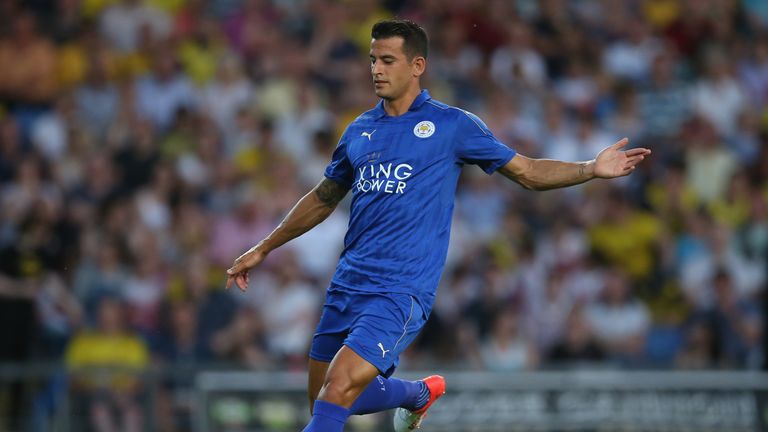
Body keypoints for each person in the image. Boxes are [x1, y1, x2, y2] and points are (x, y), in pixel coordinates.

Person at [225, 20, 650, 432]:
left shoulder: (452, 125)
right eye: (373, 59)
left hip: (400, 288)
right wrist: (263, 247)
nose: (376, 69)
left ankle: (412, 394)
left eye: (388, 60)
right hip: (347, 283)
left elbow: (528, 171)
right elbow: (323, 197)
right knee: (325, 399)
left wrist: (589, 168)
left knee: (337, 391)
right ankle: (416, 394)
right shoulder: (360, 129)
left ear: (417, 66)